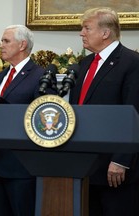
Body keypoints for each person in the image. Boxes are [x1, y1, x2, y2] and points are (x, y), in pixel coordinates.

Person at [69, 7, 139, 216]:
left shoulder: (132, 63)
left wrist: (121, 160)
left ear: (105, 33)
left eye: (87, 28)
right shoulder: (85, 63)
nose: (82, 33)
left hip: (114, 169)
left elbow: (134, 114)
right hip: (85, 165)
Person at [0, 24, 47, 216]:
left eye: (6, 41)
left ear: (22, 45)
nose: (0, 45)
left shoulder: (41, 76)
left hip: (23, 167)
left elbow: (45, 120)